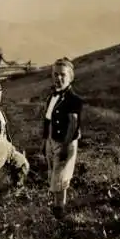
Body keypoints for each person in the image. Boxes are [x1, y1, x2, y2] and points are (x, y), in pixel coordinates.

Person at [40, 57, 84, 219]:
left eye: (62, 75)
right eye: (55, 74)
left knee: (60, 177)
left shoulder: (74, 100)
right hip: (52, 139)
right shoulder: (52, 97)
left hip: (65, 141)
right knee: (54, 174)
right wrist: (45, 141)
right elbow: (47, 120)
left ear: (70, 77)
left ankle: (60, 211)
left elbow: (73, 124)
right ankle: (57, 206)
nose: (58, 78)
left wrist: (65, 146)